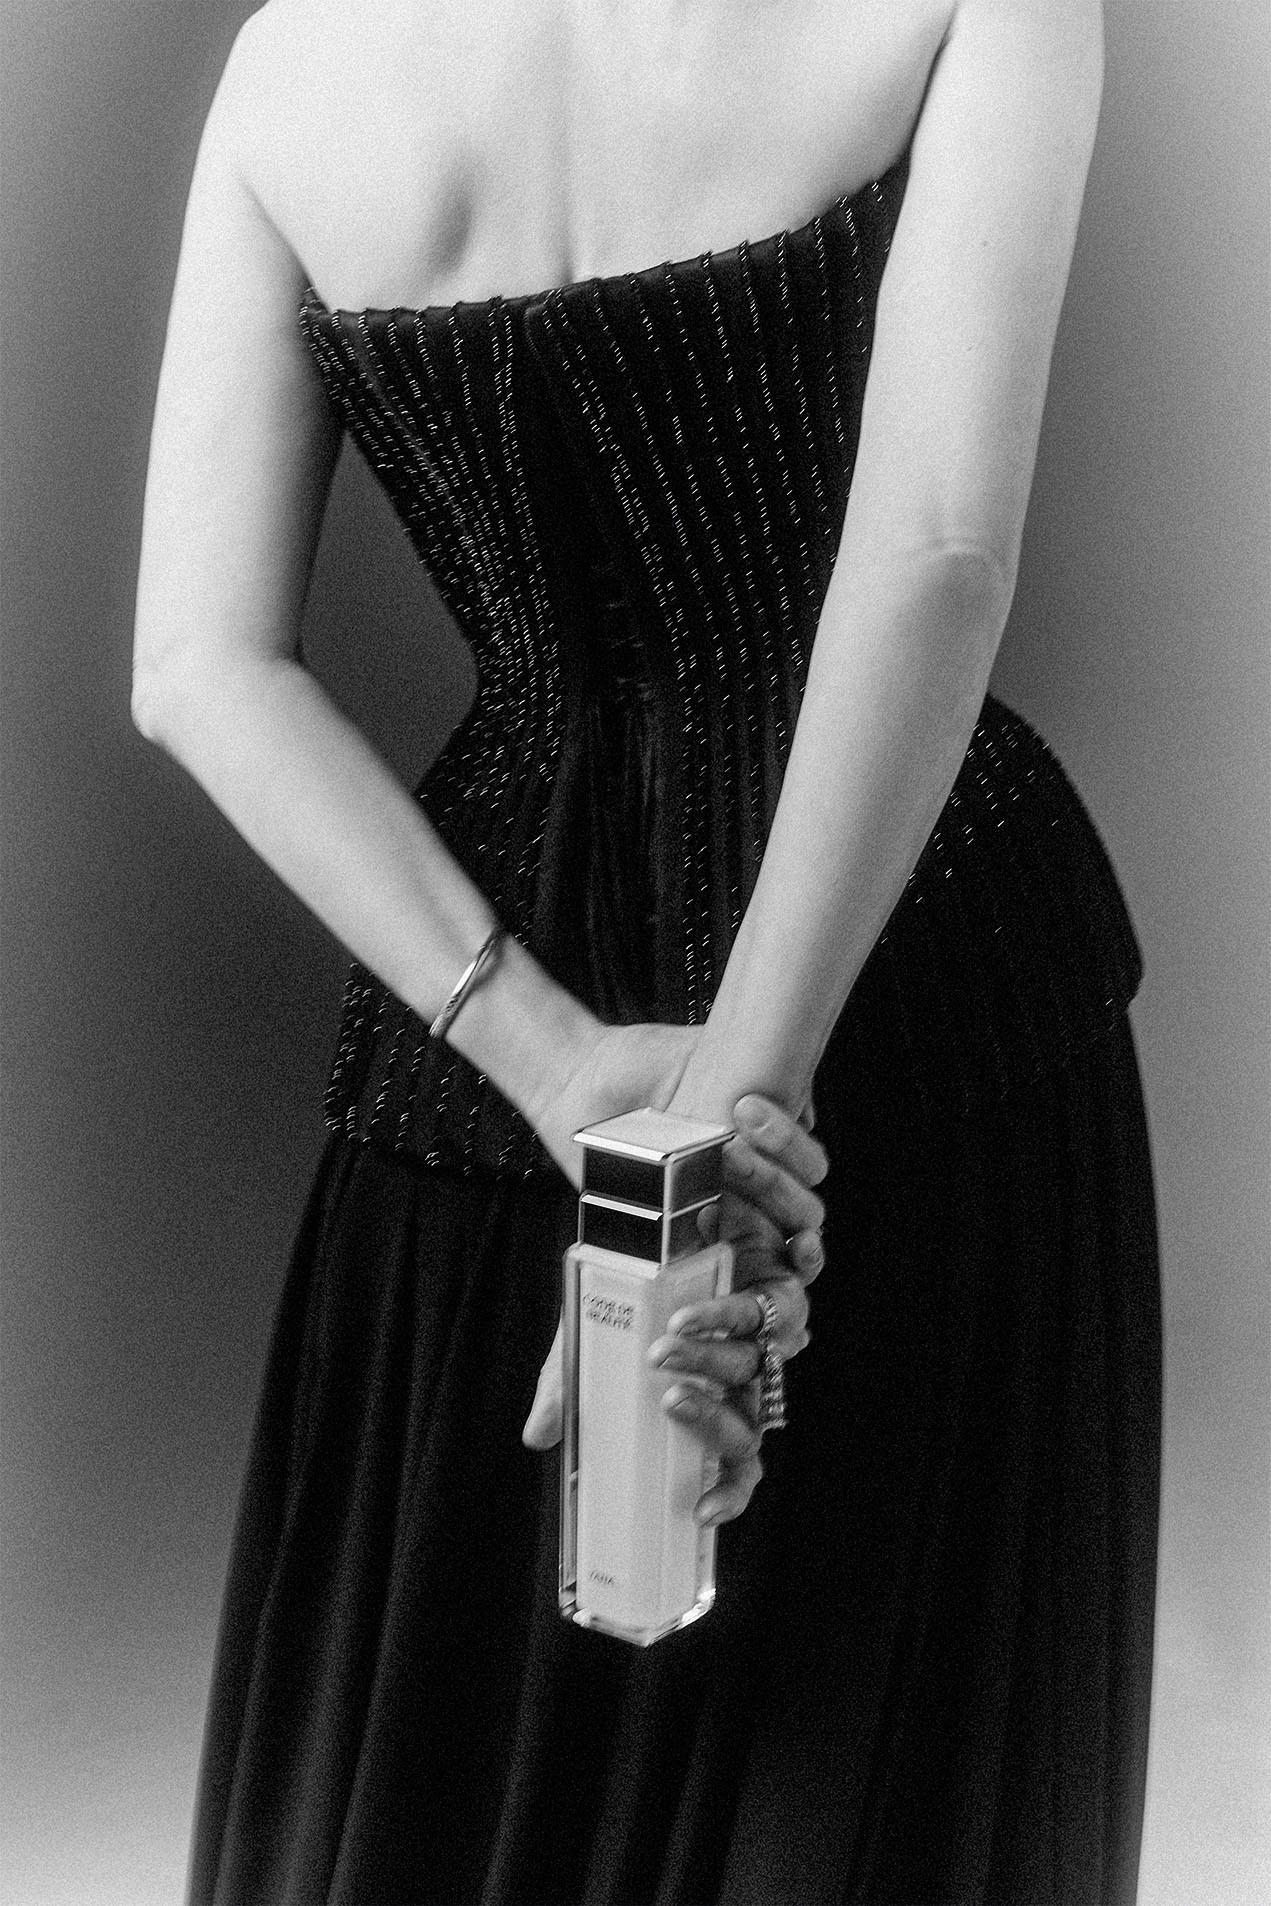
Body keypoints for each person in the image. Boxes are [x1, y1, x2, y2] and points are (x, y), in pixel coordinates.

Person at [133, 0, 1161, 1900]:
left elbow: (198, 664)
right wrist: (727, 1140)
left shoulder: (288, 64)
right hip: (905, 1003)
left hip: (492, 1041)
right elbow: (936, 556)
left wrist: (556, 1065)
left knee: (440, 1781)